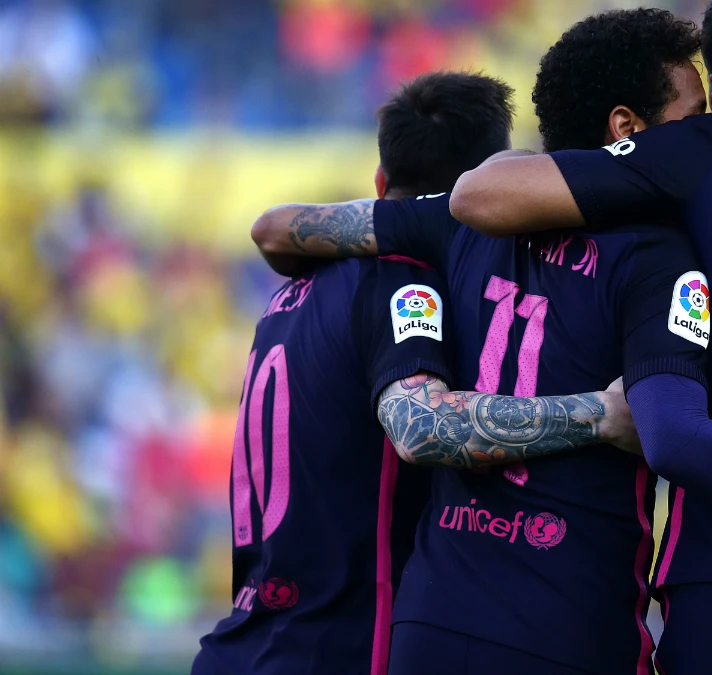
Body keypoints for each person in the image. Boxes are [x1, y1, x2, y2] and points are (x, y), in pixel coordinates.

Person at [251, 9, 712, 674]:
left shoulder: (464, 226)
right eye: (693, 116)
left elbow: (283, 228)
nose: (705, 125)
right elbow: (677, 428)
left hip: (456, 617)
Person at [192, 72, 639, 675]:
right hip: (342, 650)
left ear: (380, 181)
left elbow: (271, 227)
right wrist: (602, 415)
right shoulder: (402, 283)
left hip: (244, 643)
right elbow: (420, 425)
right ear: (487, 192)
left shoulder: (293, 292)